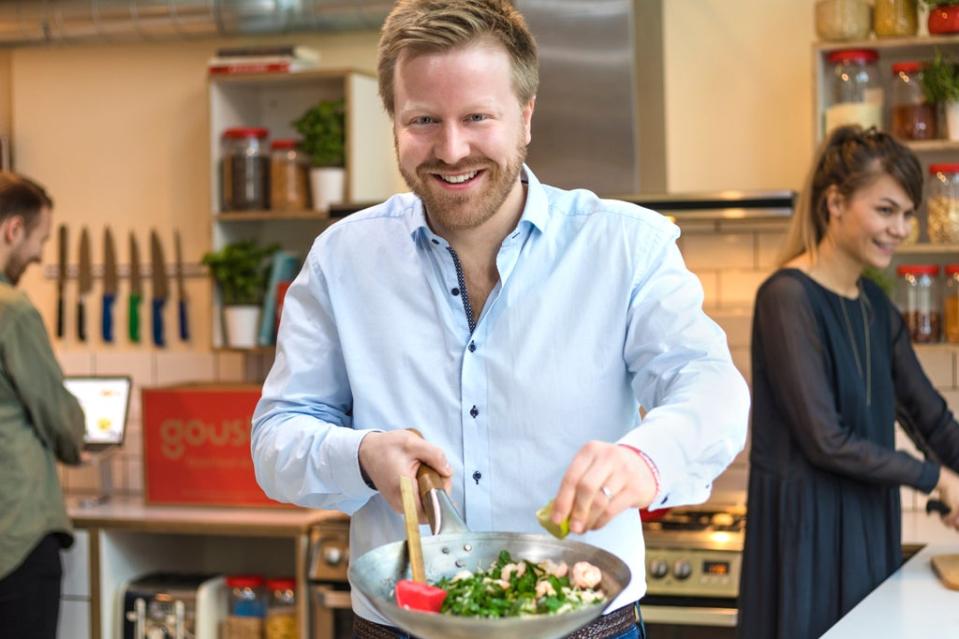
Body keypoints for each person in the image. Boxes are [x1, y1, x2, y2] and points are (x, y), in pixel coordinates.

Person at [252, 1, 750, 637]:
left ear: (526, 118)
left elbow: (712, 389)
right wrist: (361, 455)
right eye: (423, 120)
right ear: (395, 124)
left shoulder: (627, 247)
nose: (451, 149)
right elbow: (275, 441)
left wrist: (645, 461)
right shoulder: (342, 259)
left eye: (477, 117)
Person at [738, 125, 959, 639]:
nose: (901, 228)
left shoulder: (876, 307)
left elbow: (931, 417)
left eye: (908, 213)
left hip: (867, 527)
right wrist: (939, 480)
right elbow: (826, 440)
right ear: (834, 203)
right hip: (805, 539)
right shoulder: (787, 298)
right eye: (886, 210)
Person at [0, 172, 85, 639]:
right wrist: (77, 440)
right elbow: (60, 418)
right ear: (12, 230)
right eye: (40, 239)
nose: (39, 255)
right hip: (14, 536)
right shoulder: (11, 310)